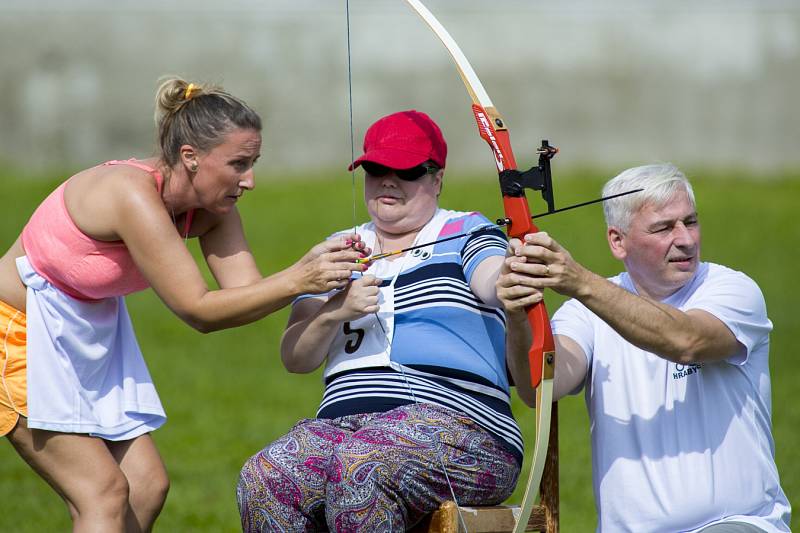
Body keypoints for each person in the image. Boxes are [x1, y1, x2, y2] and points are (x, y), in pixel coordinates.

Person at [0, 77, 366, 532]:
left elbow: (247, 294)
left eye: (253, 163)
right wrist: (298, 277)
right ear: (190, 157)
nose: (249, 180)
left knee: (146, 485)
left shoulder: (214, 207)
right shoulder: (130, 194)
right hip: (18, 331)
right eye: (238, 164)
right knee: (103, 492)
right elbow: (199, 310)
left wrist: (331, 281)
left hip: (83, 331)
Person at [237, 109, 536, 532]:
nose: (389, 181)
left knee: (361, 466)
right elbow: (296, 357)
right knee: (266, 476)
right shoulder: (338, 249)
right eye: (377, 169)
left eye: (407, 170)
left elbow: (493, 279)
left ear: (436, 178)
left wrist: (512, 275)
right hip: (345, 429)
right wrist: (335, 311)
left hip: (463, 431)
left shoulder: (467, 232)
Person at [497, 163, 791, 532]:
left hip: (736, 523)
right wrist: (518, 314)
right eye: (664, 227)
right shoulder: (583, 314)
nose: (685, 239)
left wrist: (579, 281)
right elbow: (539, 386)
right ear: (618, 241)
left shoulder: (732, 290)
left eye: (690, 221)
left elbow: (686, 340)